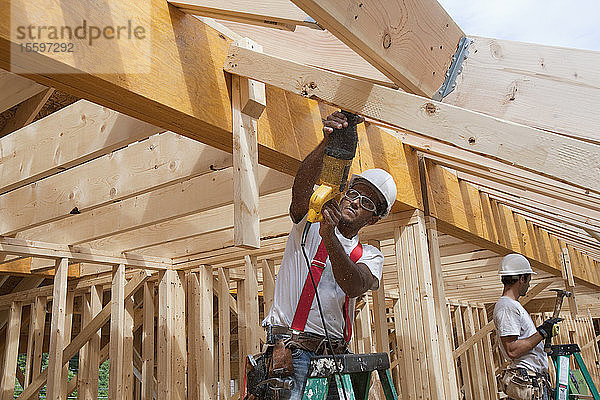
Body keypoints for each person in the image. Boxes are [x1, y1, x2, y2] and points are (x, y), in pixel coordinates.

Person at [260, 111, 397, 400]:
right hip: (292, 353)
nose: (356, 202)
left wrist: (330, 238)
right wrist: (328, 143)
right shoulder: (308, 225)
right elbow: (300, 191)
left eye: (368, 202)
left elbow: (355, 284)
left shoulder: (370, 256)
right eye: (354, 193)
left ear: (372, 219)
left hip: (334, 357)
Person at [494, 253, 562, 400]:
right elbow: (512, 350)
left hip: (532, 380)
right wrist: (542, 332)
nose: (529, 284)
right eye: (528, 279)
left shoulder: (512, 306)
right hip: (527, 381)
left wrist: (542, 332)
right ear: (522, 279)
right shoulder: (507, 306)